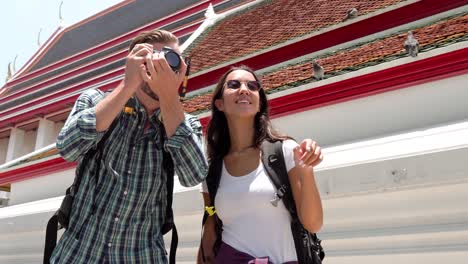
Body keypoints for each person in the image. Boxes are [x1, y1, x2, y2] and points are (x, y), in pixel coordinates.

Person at [50, 29, 208, 263]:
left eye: (171, 60)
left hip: (141, 255)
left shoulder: (184, 123)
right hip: (78, 253)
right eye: (151, 58)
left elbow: (193, 175)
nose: (160, 66)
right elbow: (68, 147)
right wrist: (127, 84)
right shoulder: (96, 100)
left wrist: (169, 96)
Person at [198, 66, 323, 263]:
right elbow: (209, 225)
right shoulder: (212, 170)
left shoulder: (286, 151)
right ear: (220, 104)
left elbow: (313, 224)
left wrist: (306, 170)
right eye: (233, 84)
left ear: (259, 102)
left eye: (253, 86)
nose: (244, 89)